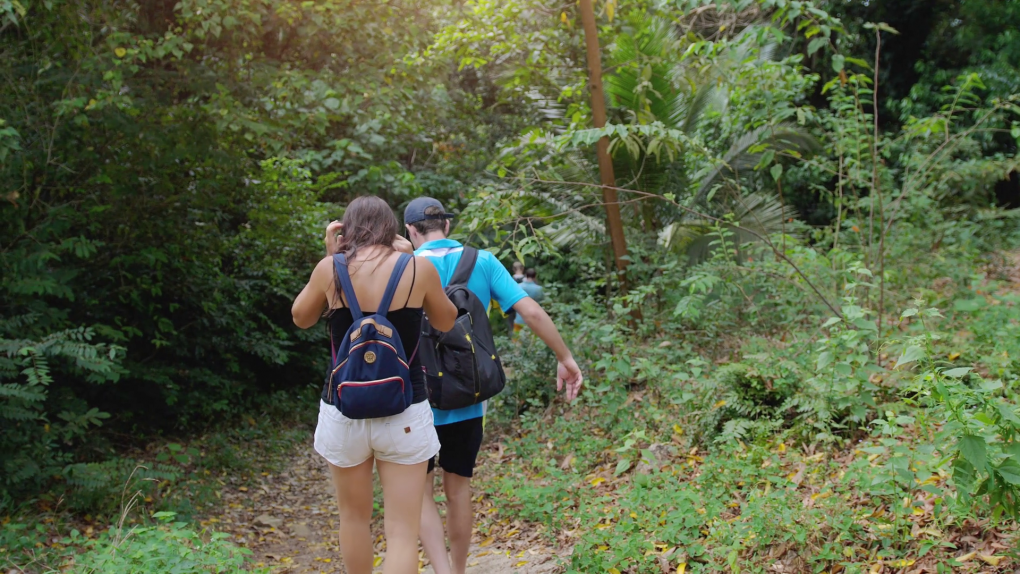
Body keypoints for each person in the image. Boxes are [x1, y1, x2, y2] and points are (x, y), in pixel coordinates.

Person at [402, 197, 584, 574]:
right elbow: (530, 311)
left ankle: (439, 570)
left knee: (420, 495)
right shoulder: (482, 261)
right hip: (468, 397)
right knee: (458, 489)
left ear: (411, 231)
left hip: (414, 400)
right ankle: (459, 570)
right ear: (447, 226)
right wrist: (565, 358)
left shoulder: (402, 267)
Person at [291, 196, 458, 574]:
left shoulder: (329, 270)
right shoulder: (417, 269)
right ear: (392, 228)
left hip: (344, 408)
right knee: (401, 530)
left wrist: (329, 256)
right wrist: (409, 255)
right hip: (405, 409)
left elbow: (301, 317)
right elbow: (447, 321)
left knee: (353, 518)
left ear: (346, 231)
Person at [514, 268, 544, 336]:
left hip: (519, 319)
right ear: (535, 276)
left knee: (517, 342)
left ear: (525, 275)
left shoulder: (518, 286)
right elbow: (542, 302)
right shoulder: (539, 289)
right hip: (533, 321)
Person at [504, 262, 525, 334]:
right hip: (523, 304)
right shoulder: (526, 280)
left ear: (513, 269)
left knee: (511, 324)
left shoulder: (509, 280)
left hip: (512, 305)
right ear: (522, 268)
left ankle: (513, 340)